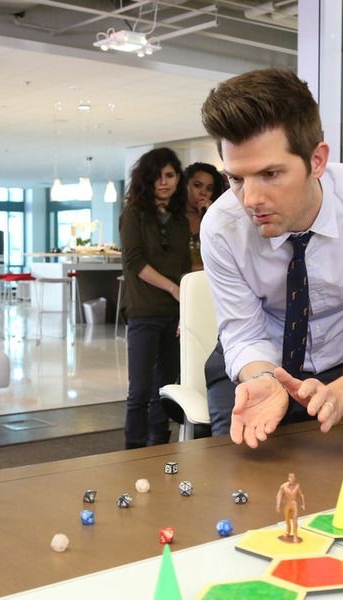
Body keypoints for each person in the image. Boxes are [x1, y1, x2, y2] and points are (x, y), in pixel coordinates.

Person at [199, 68, 343, 448]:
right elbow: (244, 335)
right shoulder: (221, 227)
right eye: (237, 179)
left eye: (270, 173)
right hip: (257, 370)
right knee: (244, 482)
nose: (251, 199)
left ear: (317, 160)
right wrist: (264, 380)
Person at [119, 147, 191, 449]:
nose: (164, 182)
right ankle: (133, 449)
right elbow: (135, 262)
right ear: (147, 179)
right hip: (143, 312)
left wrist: (185, 308)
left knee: (165, 388)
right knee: (139, 389)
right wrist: (174, 290)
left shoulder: (179, 219)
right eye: (158, 176)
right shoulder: (133, 214)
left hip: (174, 316)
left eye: (170, 175)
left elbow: (184, 267)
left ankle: (160, 446)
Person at [183, 162, 225, 270]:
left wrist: (210, 216)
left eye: (209, 188)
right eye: (197, 185)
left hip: (210, 280)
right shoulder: (172, 217)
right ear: (185, 185)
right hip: (177, 282)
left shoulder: (216, 217)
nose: (203, 193)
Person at [276, 472, 305, 542]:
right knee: (287, 519)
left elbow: (301, 495)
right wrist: (278, 505)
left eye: (293, 478)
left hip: (294, 504)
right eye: (291, 478)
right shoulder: (283, 486)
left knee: (295, 520)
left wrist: (303, 504)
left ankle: (295, 534)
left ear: (295, 479)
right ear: (288, 478)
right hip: (287, 503)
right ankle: (288, 531)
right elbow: (279, 495)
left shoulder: (297, 486)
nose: (292, 479)